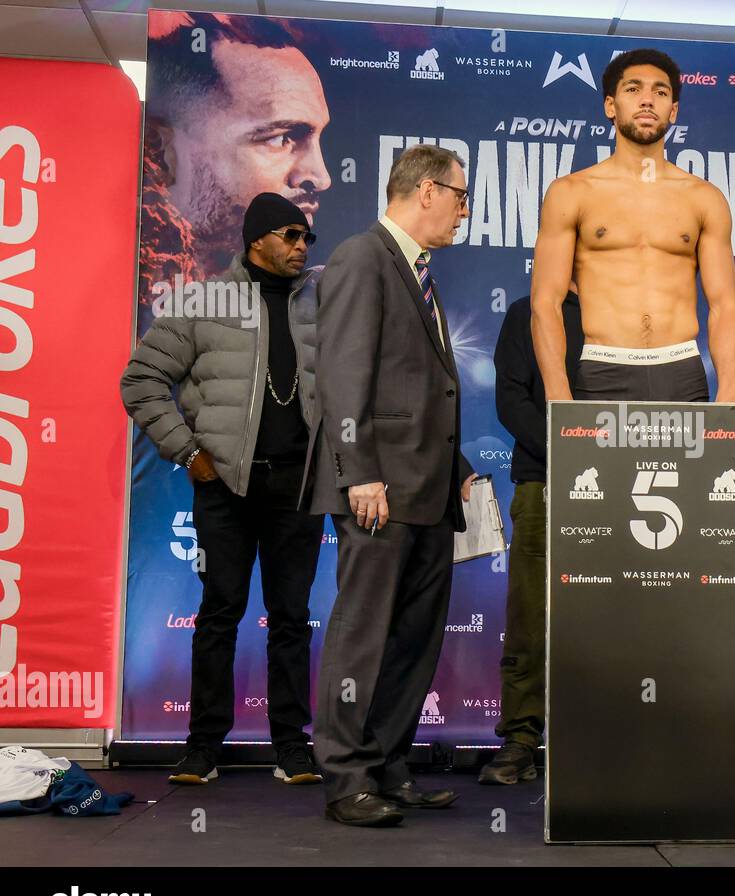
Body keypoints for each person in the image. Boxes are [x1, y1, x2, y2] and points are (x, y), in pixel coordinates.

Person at [120, 193, 325, 787]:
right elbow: (142, 379)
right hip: (225, 488)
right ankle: (203, 746)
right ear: (257, 238)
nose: (300, 247)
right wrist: (187, 451)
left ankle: (292, 745)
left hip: (298, 487)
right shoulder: (203, 301)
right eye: (290, 235)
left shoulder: (322, 301)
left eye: (306, 238)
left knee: (291, 618)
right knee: (219, 615)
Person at [306, 145, 476, 827]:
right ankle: (347, 778)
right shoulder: (361, 257)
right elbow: (344, 377)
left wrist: (459, 468)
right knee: (365, 634)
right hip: (378, 488)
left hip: (428, 489)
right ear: (426, 190)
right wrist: (361, 471)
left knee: (412, 639)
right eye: (461, 196)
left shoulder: (419, 272)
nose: (465, 211)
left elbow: (416, 383)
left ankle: (387, 765)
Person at [531, 48, 735, 404]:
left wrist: (731, 392)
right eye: (633, 89)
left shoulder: (704, 198)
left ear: (673, 111)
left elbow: (725, 305)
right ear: (610, 106)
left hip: (681, 370)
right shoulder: (571, 193)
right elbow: (545, 303)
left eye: (660, 92)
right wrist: (557, 395)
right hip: (603, 369)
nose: (647, 100)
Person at [479, 285, 583, 785]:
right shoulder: (528, 312)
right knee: (530, 615)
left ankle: (601, 737)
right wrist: (568, 448)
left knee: (619, 613)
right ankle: (521, 737)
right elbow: (510, 400)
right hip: (542, 480)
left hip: (625, 484)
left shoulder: (630, 312)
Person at [141, 12, 332, 283]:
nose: (322, 178)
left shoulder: (316, 303)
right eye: (279, 138)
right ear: (164, 154)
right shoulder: (171, 314)